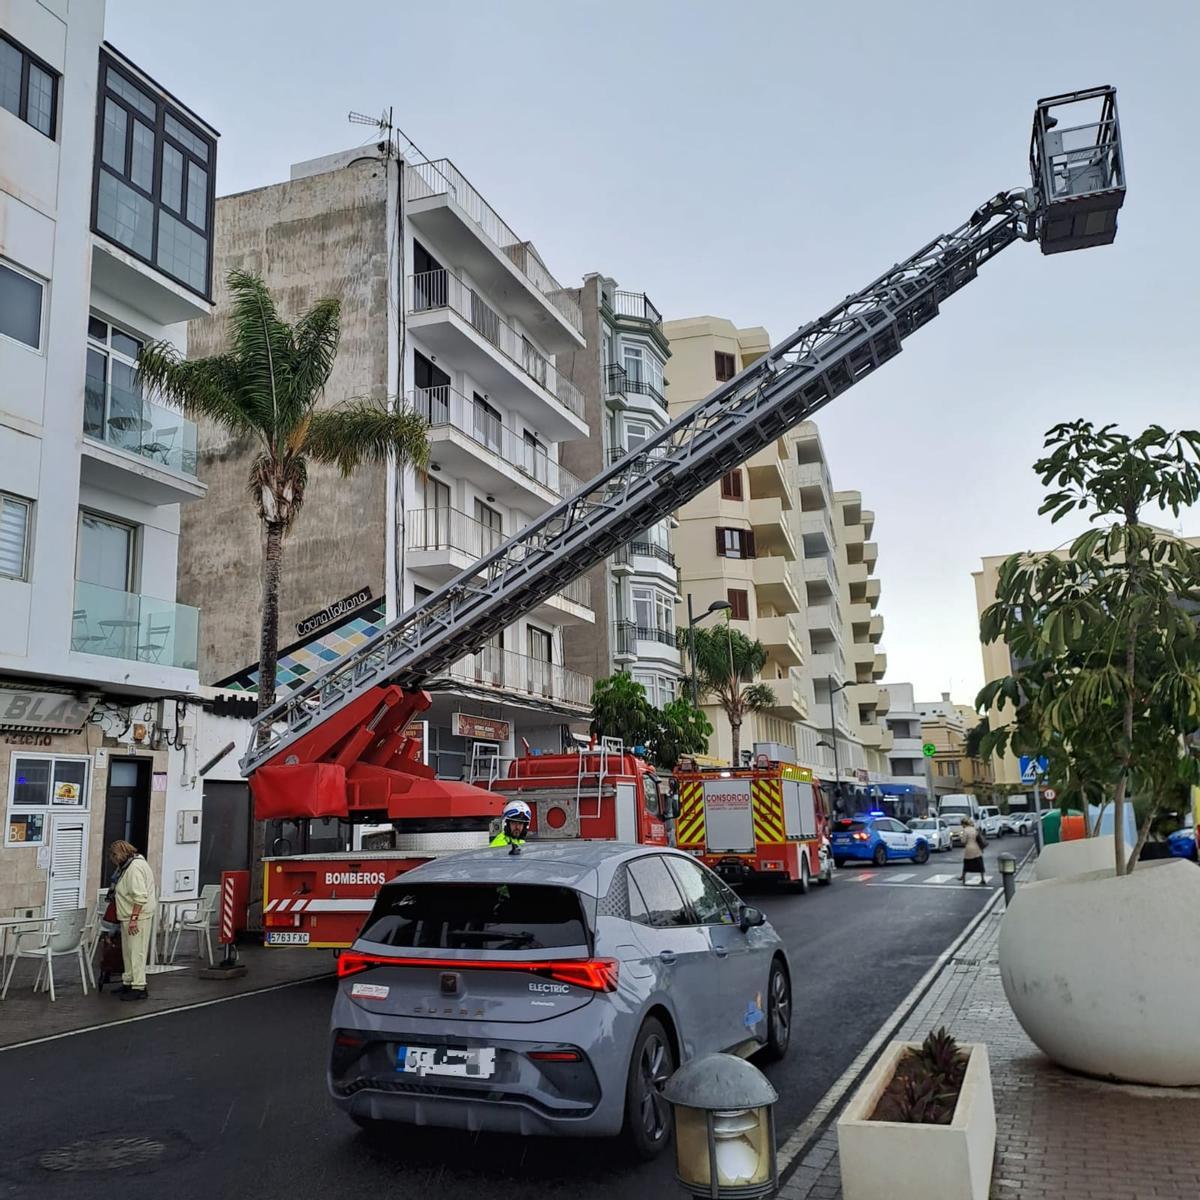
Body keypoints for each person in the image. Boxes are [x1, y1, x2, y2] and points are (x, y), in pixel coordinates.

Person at [108, 840, 156, 1000]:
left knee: (137, 952)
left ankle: (139, 986)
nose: (113, 861)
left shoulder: (134, 868)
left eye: (113, 857)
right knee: (128, 952)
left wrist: (134, 918)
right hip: (128, 915)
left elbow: (140, 896)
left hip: (137, 916)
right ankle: (128, 981)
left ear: (119, 854)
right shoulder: (131, 865)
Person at [959, 818, 986, 885]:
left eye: (962, 824)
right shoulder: (974, 829)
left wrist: (960, 838)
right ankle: (982, 879)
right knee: (980, 864)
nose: (961, 826)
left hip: (969, 849)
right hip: (977, 848)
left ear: (964, 824)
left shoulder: (965, 830)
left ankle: (963, 878)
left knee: (966, 864)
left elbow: (963, 841)